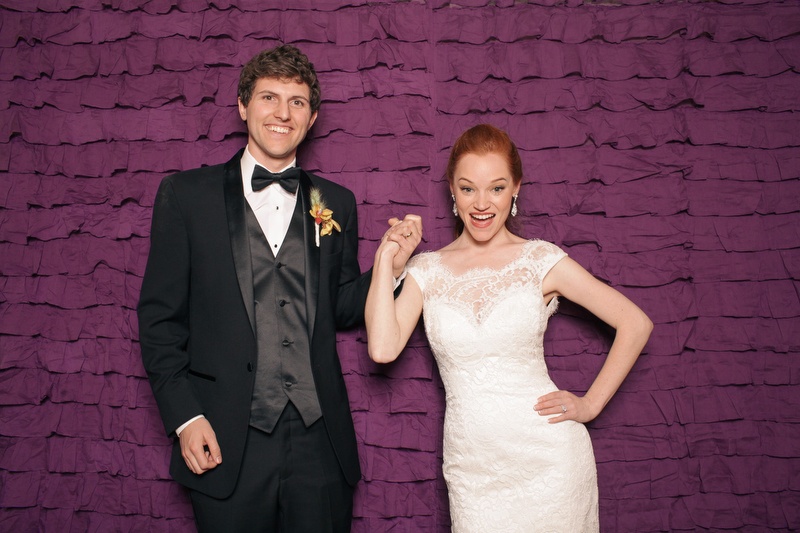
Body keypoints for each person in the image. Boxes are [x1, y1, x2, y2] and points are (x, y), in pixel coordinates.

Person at [137, 44, 421, 532]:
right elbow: (159, 321)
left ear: (311, 118)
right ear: (243, 106)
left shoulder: (335, 202)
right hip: (224, 436)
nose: (282, 113)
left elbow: (342, 307)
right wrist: (185, 418)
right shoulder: (185, 196)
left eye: (297, 101)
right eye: (269, 98)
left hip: (320, 441)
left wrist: (388, 264)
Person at [365, 124, 653, 532]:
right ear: (452, 190)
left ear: (516, 188)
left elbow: (635, 323)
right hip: (474, 470)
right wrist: (387, 258)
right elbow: (382, 348)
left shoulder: (538, 259)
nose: (482, 203)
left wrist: (590, 404)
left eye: (496, 188)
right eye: (468, 189)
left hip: (550, 463)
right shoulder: (426, 269)